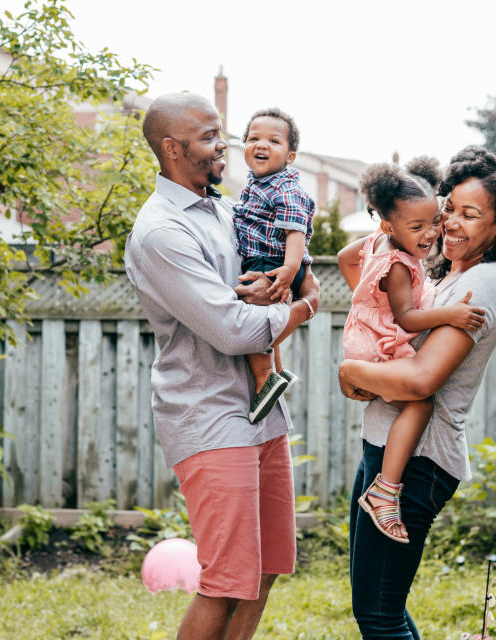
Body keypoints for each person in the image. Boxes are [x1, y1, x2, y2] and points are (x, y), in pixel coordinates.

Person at [338, 146, 496, 639]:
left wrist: (351, 371)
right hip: (389, 449)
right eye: (448, 211)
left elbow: (423, 380)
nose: (453, 224)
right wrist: (389, 226)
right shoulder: (449, 271)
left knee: (378, 613)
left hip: (417, 463)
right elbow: (359, 266)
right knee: (381, 607)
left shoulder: (483, 284)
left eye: (470, 214)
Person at [124, 92, 320, 640]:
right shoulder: (163, 232)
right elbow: (233, 329)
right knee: (227, 580)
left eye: (221, 134)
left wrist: (293, 280)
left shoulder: (228, 209)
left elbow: (291, 260)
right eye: (210, 137)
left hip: (262, 412)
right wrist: (305, 306)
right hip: (209, 417)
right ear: (171, 149)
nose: (225, 147)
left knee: (265, 569)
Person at [338, 159, 486, 544]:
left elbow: (344, 258)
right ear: (389, 226)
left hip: (367, 333)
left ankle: (383, 487)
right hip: (377, 343)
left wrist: (367, 298)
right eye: (416, 227)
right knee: (420, 404)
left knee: (413, 401)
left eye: (434, 222)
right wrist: (450, 313)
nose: (430, 234)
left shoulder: (376, 241)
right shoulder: (400, 265)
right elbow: (406, 318)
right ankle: (385, 490)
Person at [233, 108, 316, 423]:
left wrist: (289, 270)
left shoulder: (285, 188)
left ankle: (265, 377)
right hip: (269, 262)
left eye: (273, 140)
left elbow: (295, 231)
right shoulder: (256, 185)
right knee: (265, 319)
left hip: (274, 264)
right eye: (253, 138)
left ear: (290, 156)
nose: (261, 145)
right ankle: (278, 372)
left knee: (253, 319)